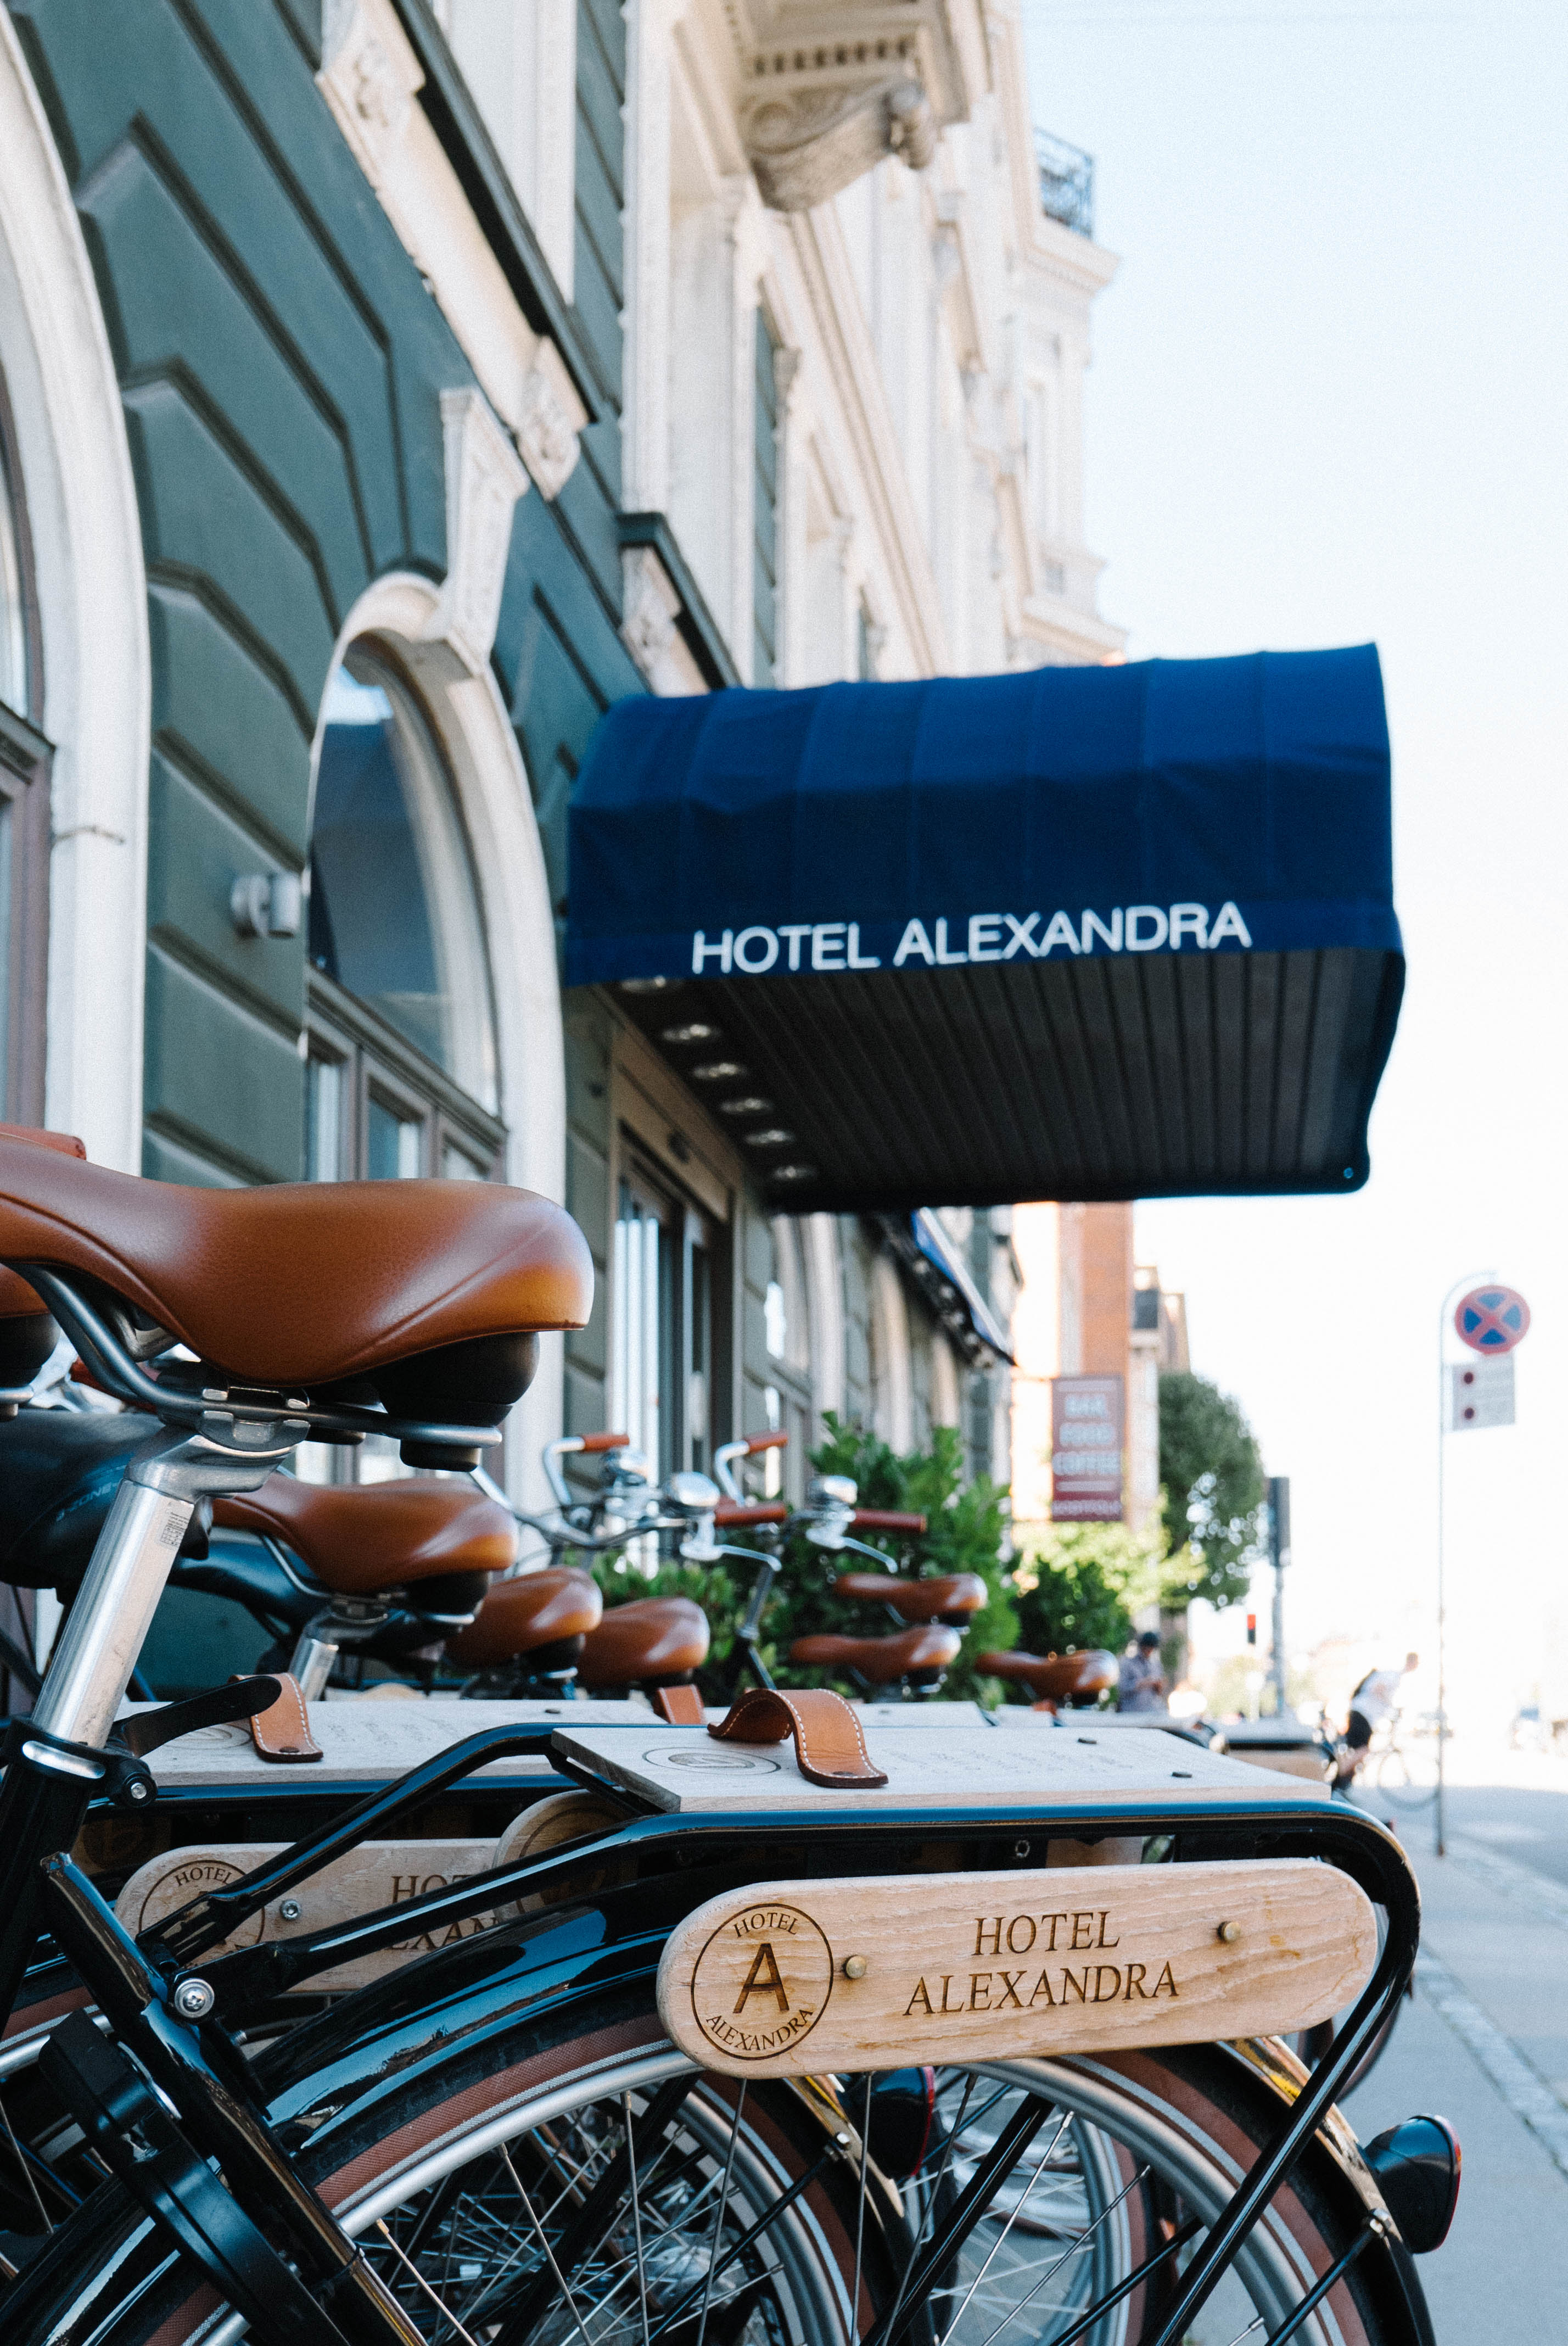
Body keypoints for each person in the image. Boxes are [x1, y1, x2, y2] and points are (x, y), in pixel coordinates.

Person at [1332, 1651, 1419, 1789]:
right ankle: (1338, 1776)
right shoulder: (1393, 1676)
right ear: (1412, 1663)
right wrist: (1391, 1706)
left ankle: (1342, 1783)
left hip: (1364, 1714)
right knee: (1363, 1750)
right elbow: (1376, 1689)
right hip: (1363, 1714)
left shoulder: (1392, 1674)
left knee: (1359, 1751)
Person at [1118, 1629, 1166, 1712]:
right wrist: (1142, 1683)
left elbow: (1159, 1692)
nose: (1149, 1651)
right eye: (1147, 1647)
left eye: (1152, 1648)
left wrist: (1158, 1686)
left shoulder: (1156, 1665)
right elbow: (1122, 1688)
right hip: (1131, 1711)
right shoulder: (1128, 1663)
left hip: (1152, 1710)